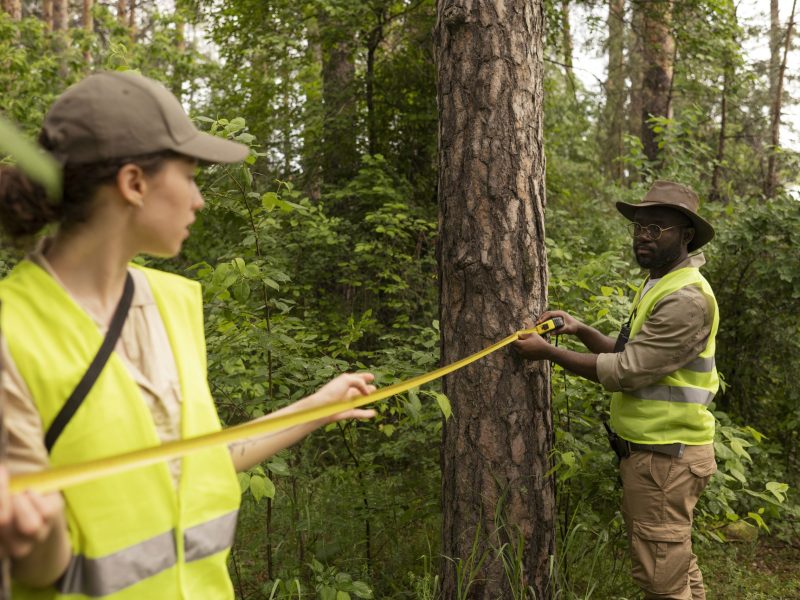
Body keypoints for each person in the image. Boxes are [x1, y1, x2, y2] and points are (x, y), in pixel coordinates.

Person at [0, 70, 376, 599]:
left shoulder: (174, 302)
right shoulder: (11, 334)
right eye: (192, 176)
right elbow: (39, 571)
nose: (198, 200)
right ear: (134, 183)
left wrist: (315, 407)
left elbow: (195, 464)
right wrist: (30, 534)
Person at [513, 180, 719, 600]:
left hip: (667, 459)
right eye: (640, 227)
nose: (643, 235)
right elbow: (631, 352)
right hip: (658, 456)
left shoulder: (686, 298)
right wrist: (580, 329)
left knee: (662, 581)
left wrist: (548, 354)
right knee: (675, 568)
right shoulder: (658, 283)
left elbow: (627, 371)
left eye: (657, 228)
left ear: (686, 235)